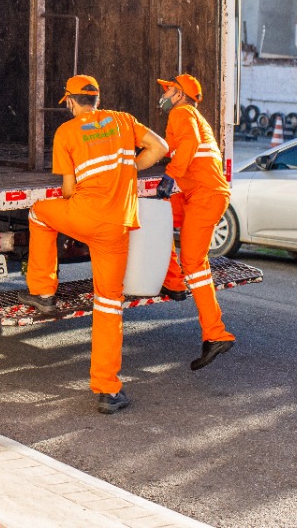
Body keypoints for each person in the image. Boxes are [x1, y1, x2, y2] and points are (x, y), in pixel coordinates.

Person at [19, 75, 168, 414]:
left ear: (70, 102)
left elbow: (69, 192)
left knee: (39, 215)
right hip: (117, 228)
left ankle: (43, 291)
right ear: (97, 99)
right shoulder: (123, 121)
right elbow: (160, 148)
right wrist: (129, 167)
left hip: (83, 217)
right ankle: (108, 390)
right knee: (109, 304)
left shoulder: (66, 133)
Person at [155, 74, 236, 371]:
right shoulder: (189, 115)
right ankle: (174, 282)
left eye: (168, 89)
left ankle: (216, 334)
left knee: (194, 262)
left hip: (204, 196)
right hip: (196, 193)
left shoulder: (182, 113)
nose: (164, 93)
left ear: (180, 95)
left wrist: (171, 174)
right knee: (160, 220)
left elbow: (188, 143)